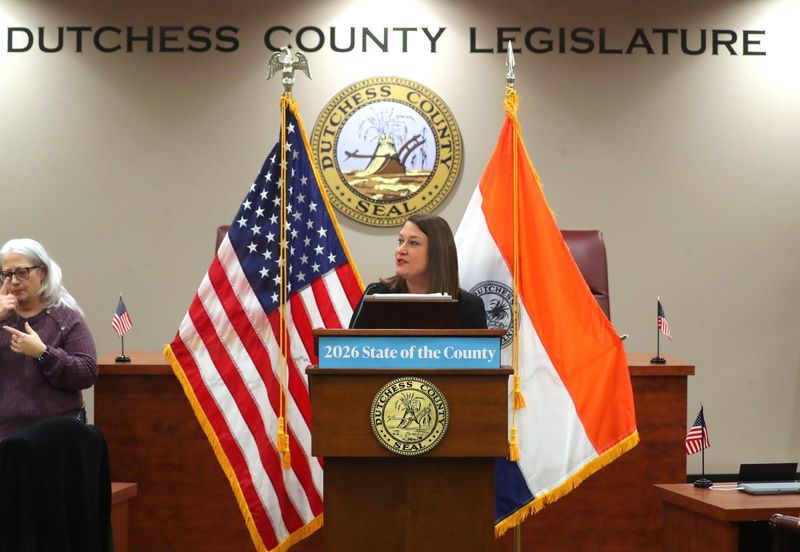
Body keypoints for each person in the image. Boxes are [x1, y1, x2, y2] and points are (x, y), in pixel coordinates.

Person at [0, 238, 97, 441]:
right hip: (6, 441)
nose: (14, 281)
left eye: (21, 272)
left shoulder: (65, 317)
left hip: (55, 443)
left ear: (42, 271)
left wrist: (43, 354)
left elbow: (87, 373)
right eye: (7, 274)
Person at [350, 214, 487, 329]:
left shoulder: (469, 307)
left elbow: (479, 358)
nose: (401, 250)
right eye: (400, 241)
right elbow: (350, 352)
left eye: (413, 243)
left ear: (437, 253)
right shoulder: (376, 293)